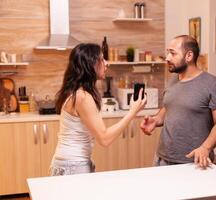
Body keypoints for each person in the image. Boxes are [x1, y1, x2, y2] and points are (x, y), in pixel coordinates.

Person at [50, 43, 146, 176]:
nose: (107, 63)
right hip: (73, 165)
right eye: (102, 59)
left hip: (69, 163)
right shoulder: (82, 96)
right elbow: (104, 138)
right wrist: (132, 112)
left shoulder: (75, 92)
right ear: (90, 64)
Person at [140, 35, 216, 168]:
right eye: (167, 52)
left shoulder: (214, 84)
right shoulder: (173, 80)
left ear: (189, 56)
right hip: (162, 158)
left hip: (194, 161)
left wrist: (206, 148)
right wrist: (156, 119)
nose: (167, 58)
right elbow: (169, 107)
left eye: (172, 53)